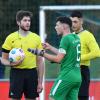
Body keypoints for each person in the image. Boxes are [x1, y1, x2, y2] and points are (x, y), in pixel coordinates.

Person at [28, 16, 82, 100]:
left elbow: (58, 59)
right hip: (77, 77)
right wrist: (51, 48)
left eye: (57, 25)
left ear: (64, 26)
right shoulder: (75, 37)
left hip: (66, 76)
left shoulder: (65, 39)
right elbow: (65, 54)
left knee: (52, 97)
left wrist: (41, 53)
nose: (55, 27)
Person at [1, 10, 44, 100]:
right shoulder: (10, 38)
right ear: (18, 22)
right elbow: (3, 59)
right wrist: (12, 64)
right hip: (16, 73)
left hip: (32, 73)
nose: (28, 23)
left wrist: (40, 82)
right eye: (25, 20)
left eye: (29, 20)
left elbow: (40, 62)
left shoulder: (36, 38)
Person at [70, 10, 100, 100]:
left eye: (75, 22)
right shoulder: (70, 36)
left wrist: (79, 58)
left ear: (81, 21)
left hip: (82, 70)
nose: (73, 24)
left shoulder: (88, 35)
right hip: (71, 71)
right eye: (71, 22)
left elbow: (97, 52)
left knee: (81, 97)